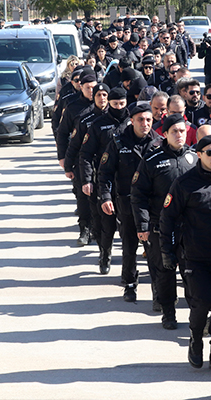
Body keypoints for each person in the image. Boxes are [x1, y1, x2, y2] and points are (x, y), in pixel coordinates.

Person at [160, 134, 211, 376]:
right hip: (195, 257)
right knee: (201, 303)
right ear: (199, 154)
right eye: (209, 153)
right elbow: (168, 218)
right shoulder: (184, 183)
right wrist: (167, 250)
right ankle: (195, 339)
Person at [131, 114, 197, 329]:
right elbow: (138, 194)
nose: (179, 135)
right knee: (165, 272)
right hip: (161, 228)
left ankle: (197, 314)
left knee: (193, 273)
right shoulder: (151, 160)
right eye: (174, 131)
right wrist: (143, 226)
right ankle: (168, 312)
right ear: (164, 133)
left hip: (190, 230)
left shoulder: (195, 158)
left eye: (182, 130)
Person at [97, 103, 162, 302]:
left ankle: (158, 290)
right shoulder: (118, 143)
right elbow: (105, 173)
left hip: (152, 207)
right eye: (140, 119)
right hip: (126, 205)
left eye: (149, 120)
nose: (145, 123)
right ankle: (130, 284)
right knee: (129, 247)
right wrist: (106, 197)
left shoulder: (159, 143)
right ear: (131, 120)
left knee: (154, 251)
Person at [79, 87, 127, 274]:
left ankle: (128, 263)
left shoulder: (133, 122)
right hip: (104, 181)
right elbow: (85, 154)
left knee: (128, 225)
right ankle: (104, 254)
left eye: (122, 104)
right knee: (105, 225)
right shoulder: (98, 125)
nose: (118, 107)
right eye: (115, 104)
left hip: (127, 181)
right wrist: (87, 180)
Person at [60, 75, 102, 247]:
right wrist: (64, 160)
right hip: (80, 159)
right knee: (83, 196)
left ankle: (100, 230)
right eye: (88, 87)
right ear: (80, 87)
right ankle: (85, 228)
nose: (92, 91)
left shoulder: (104, 106)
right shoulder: (72, 108)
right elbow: (63, 134)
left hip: (102, 161)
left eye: (94, 87)